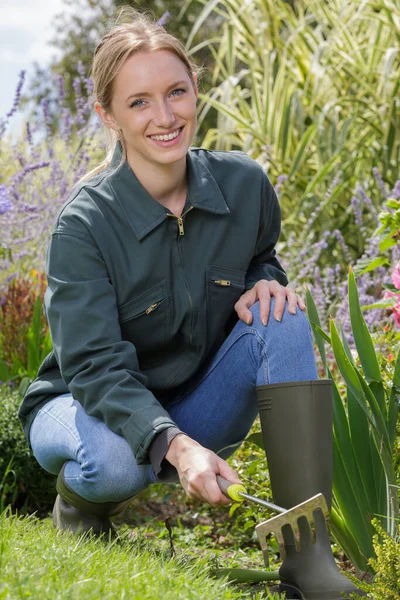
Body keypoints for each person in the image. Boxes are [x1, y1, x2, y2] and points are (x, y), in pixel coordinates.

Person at [18, 8, 364, 599]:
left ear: (196, 90)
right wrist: (176, 446)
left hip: (193, 402)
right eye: (140, 102)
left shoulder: (245, 185)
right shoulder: (84, 225)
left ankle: (308, 563)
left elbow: (258, 259)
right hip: (83, 404)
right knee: (116, 462)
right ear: (108, 116)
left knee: (282, 317)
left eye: (177, 92)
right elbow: (94, 367)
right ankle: (79, 507)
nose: (166, 116)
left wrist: (266, 280)